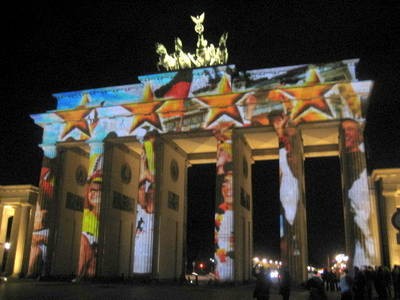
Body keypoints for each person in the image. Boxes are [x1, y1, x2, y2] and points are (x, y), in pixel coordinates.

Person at [78, 168, 102, 278]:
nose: (94, 194)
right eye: (92, 190)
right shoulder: (85, 213)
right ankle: (80, 275)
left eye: (99, 190)